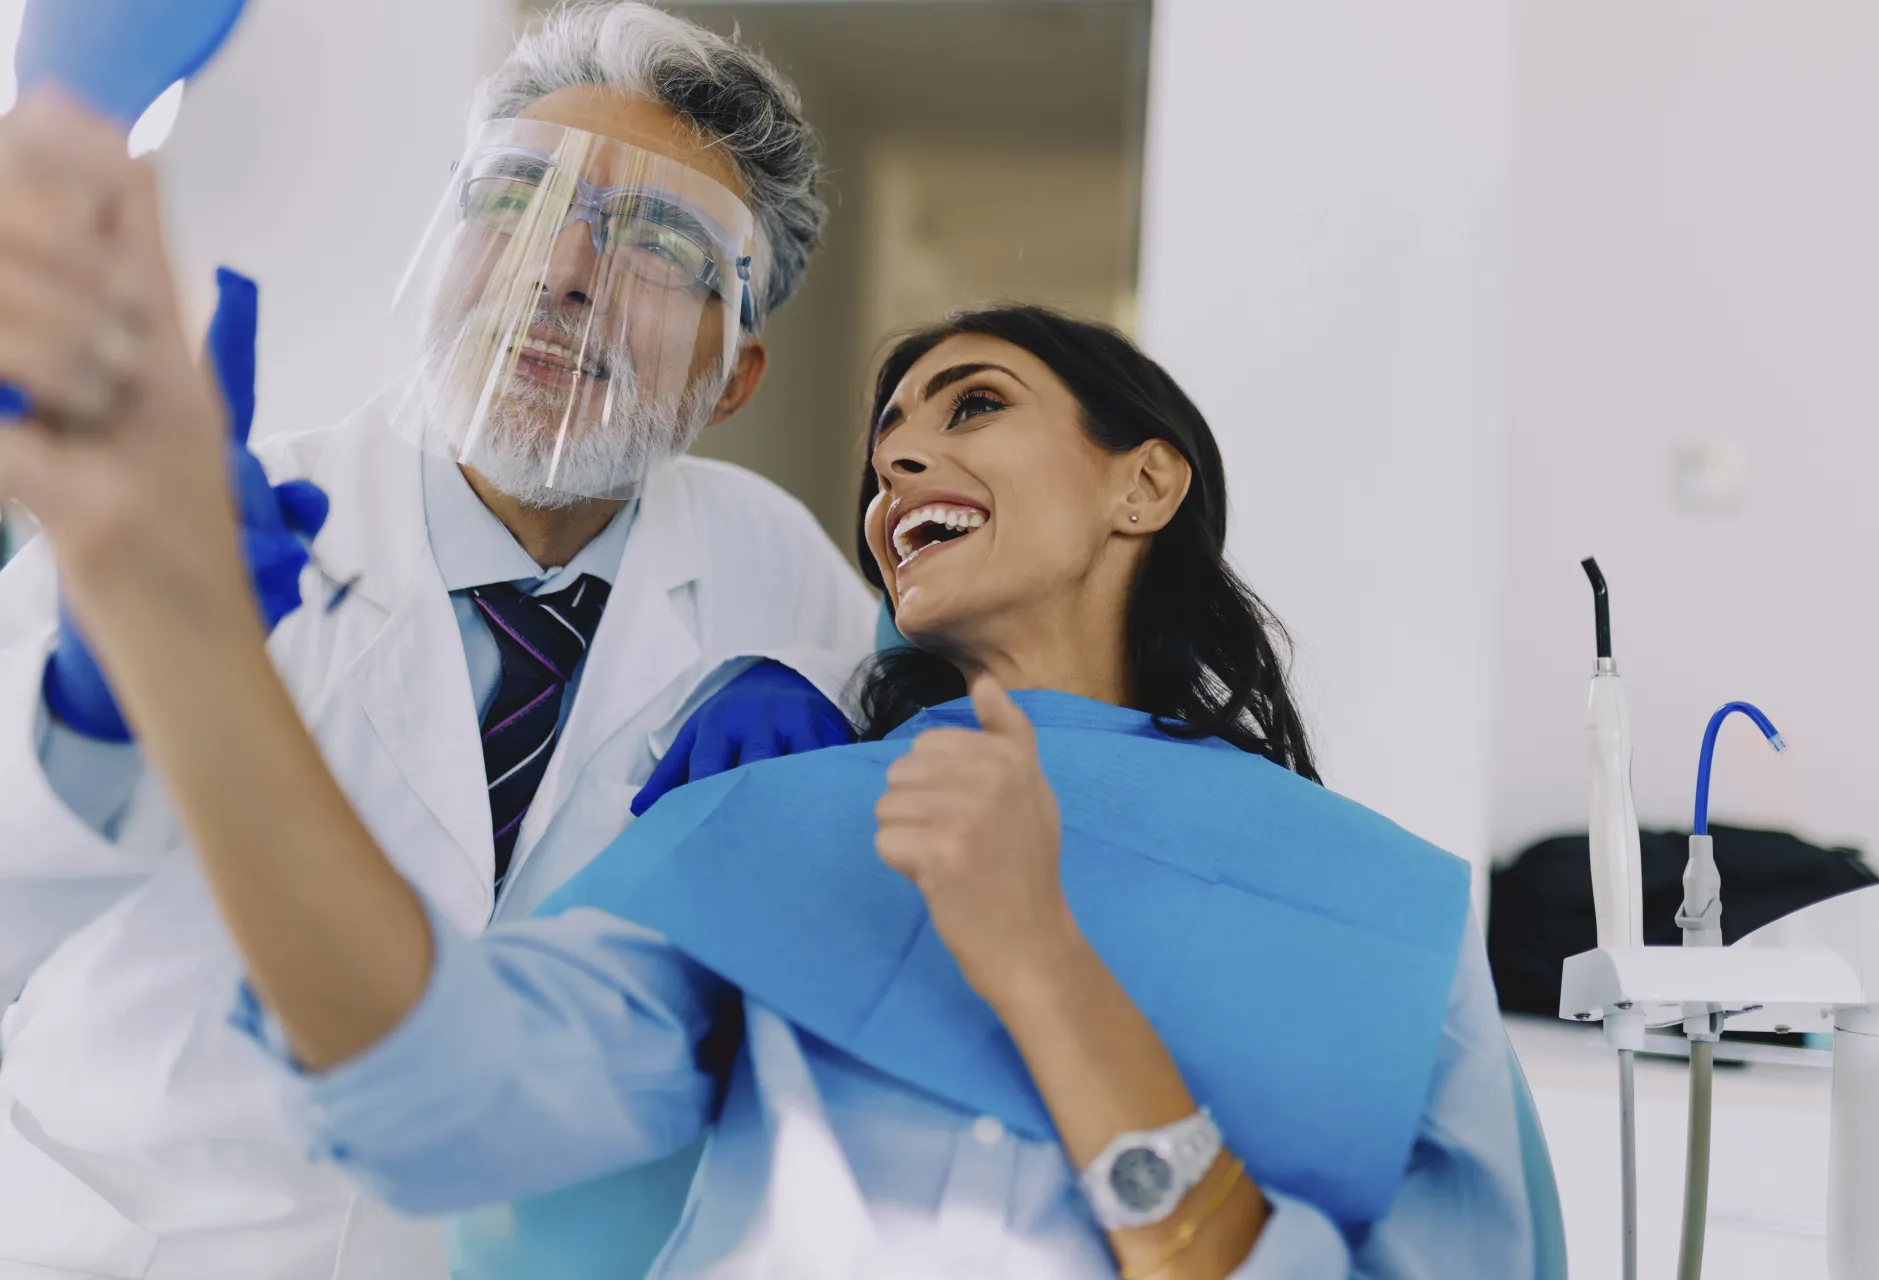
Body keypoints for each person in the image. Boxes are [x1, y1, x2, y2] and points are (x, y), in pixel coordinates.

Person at [0, 87, 1534, 1271]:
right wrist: (163, 658)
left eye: (976, 404)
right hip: (116, 1232)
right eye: (517, 207)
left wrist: (1041, 960)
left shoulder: (1389, 910)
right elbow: (443, 1077)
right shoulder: (783, 835)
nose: (564, 274)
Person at [0, 5, 876, 1277]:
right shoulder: (200, 512)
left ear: (735, 373)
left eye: (660, 242)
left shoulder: (775, 567)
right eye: (519, 198)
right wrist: (102, 698)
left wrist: (833, 747)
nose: (564, 268)